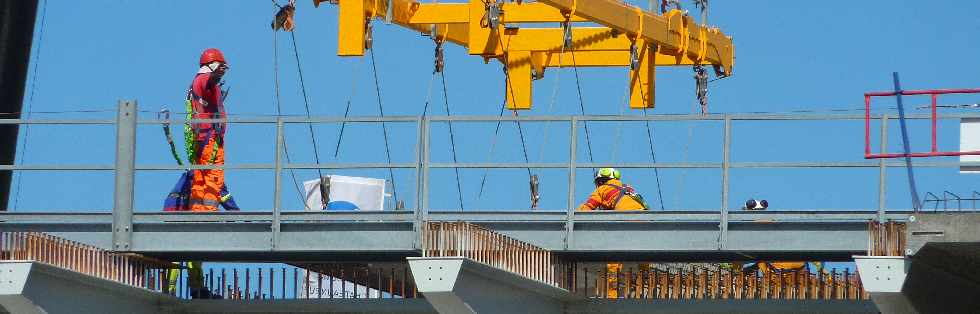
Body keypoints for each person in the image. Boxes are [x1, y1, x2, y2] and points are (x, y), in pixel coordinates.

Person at [165, 48, 238, 298]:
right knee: (183, 248)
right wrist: (237, 214)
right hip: (209, 143)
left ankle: (189, 289)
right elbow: (219, 190)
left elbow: (219, 191)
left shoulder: (191, 177)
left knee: (192, 247)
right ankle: (181, 290)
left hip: (204, 146)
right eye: (220, 69)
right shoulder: (203, 81)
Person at [577, 168, 647, 298]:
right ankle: (643, 284)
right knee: (645, 256)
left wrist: (572, 217)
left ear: (601, 180)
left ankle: (612, 295)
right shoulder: (628, 188)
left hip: (626, 221)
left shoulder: (602, 189)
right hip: (646, 222)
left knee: (613, 259)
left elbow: (586, 209)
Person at [577, 168, 647, 211]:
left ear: (600, 181)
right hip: (643, 212)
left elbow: (588, 207)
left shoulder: (601, 189)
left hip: (626, 215)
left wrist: (574, 213)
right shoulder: (627, 187)